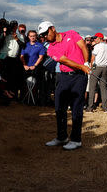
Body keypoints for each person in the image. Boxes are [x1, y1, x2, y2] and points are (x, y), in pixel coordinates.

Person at [40, 21, 90, 151]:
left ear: (53, 29)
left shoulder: (71, 34)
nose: (45, 36)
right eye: (43, 35)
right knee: (59, 106)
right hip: (65, 76)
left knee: (76, 108)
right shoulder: (50, 48)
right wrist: (82, 66)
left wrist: (87, 63)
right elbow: (65, 60)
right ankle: (62, 137)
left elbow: (83, 46)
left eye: (46, 33)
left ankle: (76, 140)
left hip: (79, 77)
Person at [0, 20, 25, 99]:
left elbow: (23, 45)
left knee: (11, 76)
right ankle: (3, 92)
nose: (13, 27)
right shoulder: (6, 34)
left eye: (15, 26)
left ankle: (8, 92)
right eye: (12, 25)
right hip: (4, 56)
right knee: (3, 75)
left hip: (13, 58)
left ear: (17, 27)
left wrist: (16, 38)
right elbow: (0, 41)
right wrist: (5, 33)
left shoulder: (20, 36)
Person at [20, 30, 46, 105]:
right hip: (26, 67)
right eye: (31, 36)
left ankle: (33, 101)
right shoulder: (25, 45)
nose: (32, 37)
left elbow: (41, 57)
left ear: (36, 36)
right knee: (24, 85)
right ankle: (24, 100)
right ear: (28, 37)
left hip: (35, 68)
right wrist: (25, 65)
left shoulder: (40, 45)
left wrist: (34, 66)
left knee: (35, 85)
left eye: (34, 36)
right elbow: (21, 56)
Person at [87, 32, 107, 112]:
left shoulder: (97, 46)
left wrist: (91, 68)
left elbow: (92, 58)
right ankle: (105, 108)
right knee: (103, 88)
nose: (94, 39)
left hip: (97, 67)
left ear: (100, 38)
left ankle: (90, 107)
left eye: (95, 38)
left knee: (92, 87)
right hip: (105, 68)